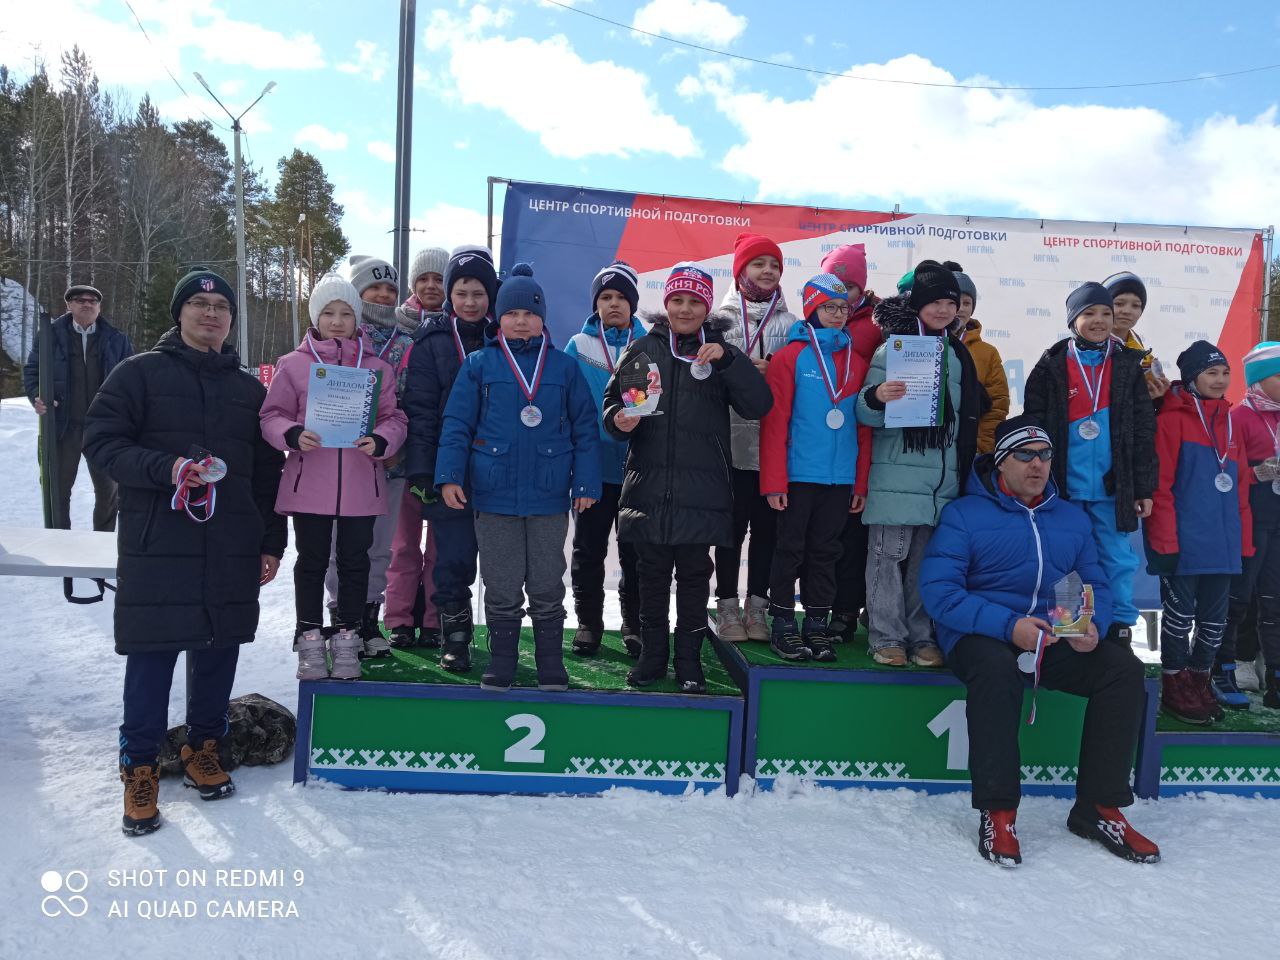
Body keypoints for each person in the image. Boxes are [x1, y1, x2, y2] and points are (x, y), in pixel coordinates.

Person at [83, 268, 286, 837]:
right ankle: (140, 766)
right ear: (180, 313)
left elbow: (267, 476)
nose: (211, 313)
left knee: (220, 648)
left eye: (221, 305)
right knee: (153, 654)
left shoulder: (250, 391)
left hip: (230, 543)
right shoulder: (138, 375)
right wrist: (165, 469)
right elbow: (102, 442)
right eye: (199, 303)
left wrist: (271, 541)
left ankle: (203, 745)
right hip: (158, 542)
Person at [920, 416, 1159, 867]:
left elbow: (1092, 581)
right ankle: (999, 811)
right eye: (1024, 455)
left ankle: (1099, 807)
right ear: (1000, 461)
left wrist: (1090, 624)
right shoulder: (964, 514)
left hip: (1051, 634)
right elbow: (941, 593)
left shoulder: (1070, 517)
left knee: (1121, 669)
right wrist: (1010, 626)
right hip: (982, 633)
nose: (1037, 465)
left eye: (1045, 455)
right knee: (995, 671)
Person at [603, 263, 772, 692]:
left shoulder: (718, 353)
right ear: (666, 304)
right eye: (677, 300)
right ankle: (652, 658)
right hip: (649, 488)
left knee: (695, 581)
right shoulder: (643, 349)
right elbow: (612, 405)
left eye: (695, 301)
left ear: (707, 306)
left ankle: (690, 663)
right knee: (652, 579)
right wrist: (617, 419)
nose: (685, 308)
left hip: (705, 491)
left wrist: (730, 359)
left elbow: (758, 405)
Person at [436, 264, 601, 691]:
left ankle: (551, 663)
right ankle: (502, 661)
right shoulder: (479, 364)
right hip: (494, 495)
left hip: (548, 494)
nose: (520, 320)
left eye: (529, 313)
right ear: (499, 318)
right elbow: (457, 424)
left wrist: (585, 483)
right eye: (511, 313)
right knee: (501, 583)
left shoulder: (564, 368)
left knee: (547, 582)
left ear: (542, 318)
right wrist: (450, 475)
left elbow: (585, 427)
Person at [260, 275, 407, 681]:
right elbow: (271, 416)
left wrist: (381, 441)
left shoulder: (376, 368)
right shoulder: (294, 364)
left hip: (361, 483)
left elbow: (394, 418)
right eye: (328, 313)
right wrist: (290, 434)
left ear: (357, 319)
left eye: (346, 313)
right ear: (315, 317)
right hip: (311, 484)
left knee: (355, 562)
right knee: (311, 562)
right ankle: (309, 637)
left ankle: (348, 637)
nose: (337, 321)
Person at [855, 260, 986, 667]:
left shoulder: (959, 355)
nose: (945, 309)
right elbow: (864, 412)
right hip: (896, 473)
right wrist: (878, 397)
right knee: (886, 559)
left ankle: (921, 637)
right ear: (918, 306)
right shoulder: (892, 347)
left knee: (925, 565)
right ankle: (885, 637)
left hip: (940, 482)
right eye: (935, 302)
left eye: (952, 302)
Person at [1023, 282, 1157, 648]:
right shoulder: (1051, 364)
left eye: (1105, 314)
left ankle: (1118, 627)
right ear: (1073, 320)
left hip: (1113, 488)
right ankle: (1068, 626)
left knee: (1116, 558)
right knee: (1064, 559)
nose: (1099, 321)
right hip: (1063, 486)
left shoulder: (1129, 366)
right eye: (1089, 313)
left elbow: (1145, 432)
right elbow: (1033, 423)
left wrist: (1143, 487)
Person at [759, 274, 871, 661]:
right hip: (797, 475)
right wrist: (774, 480)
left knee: (826, 552)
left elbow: (863, 427)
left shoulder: (857, 361)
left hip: (839, 478)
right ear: (812, 309)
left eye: (843, 307)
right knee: (789, 549)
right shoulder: (791, 357)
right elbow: (775, 424)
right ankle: (784, 625)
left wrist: (860, 483)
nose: (838, 314)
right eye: (829, 307)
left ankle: (817, 626)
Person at [404, 245, 500, 673]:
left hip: (500, 467)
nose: (471, 301)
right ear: (449, 295)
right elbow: (420, 410)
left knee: (501, 560)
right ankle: (455, 638)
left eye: (479, 292)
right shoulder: (433, 339)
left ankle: (503, 638)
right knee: (454, 558)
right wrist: (424, 469)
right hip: (450, 470)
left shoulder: (508, 336)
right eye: (462, 292)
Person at [316, 255, 417, 656]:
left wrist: (395, 448)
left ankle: (367, 618)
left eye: (391, 289)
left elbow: (410, 404)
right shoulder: (336, 339)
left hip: (390, 461)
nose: (382, 294)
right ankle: (342, 615)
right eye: (373, 287)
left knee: (379, 545)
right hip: (336, 465)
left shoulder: (407, 342)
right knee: (335, 546)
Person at [1146, 342, 1252, 722]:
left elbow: (1239, 488)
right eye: (1211, 373)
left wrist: (1244, 542)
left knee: (1215, 620)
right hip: (1184, 544)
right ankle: (1175, 681)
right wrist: (1165, 542)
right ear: (1191, 378)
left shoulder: (1229, 420)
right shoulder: (1171, 420)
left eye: (1225, 373)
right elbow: (1160, 486)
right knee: (1178, 618)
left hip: (1222, 545)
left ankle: (1200, 679)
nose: (1220, 380)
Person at [713, 233, 796, 642]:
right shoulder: (718, 322)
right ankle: (726, 606)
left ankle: (757, 608)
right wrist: (743, 374)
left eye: (774, 265)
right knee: (728, 532)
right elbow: (703, 381)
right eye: (758, 263)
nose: (767, 271)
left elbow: (801, 386)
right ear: (740, 270)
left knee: (769, 533)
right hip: (727, 446)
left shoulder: (793, 327)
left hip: (771, 449)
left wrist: (775, 375)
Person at [564, 261, 647, 657]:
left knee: (636, 552)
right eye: (605, 297)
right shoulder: (578, 346)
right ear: (596, 303)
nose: (613, 304)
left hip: (639, 469)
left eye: (621, 297)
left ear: (632, 303)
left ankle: (633, 623)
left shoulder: (650, 345)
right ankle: (589, 623)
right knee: (588, 549)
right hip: (593, 467)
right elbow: (568, 407)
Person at [23, 283, 133, 531]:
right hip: (63, 427)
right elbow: (32, 372)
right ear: (69, 305)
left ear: (99, 307)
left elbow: (132, 378)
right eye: (80, 300)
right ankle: (62, 548)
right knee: (58, 492)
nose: (87, 304)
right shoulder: (50, 335)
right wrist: (37, 396)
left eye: (93, 301)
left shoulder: (116, 339)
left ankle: (100, 548)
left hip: (103, 430)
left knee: (109, 493)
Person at [387, 246, 450, 649]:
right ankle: (397, 619)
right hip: (399, 455)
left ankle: (434, 618)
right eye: (423, 279)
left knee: (442, 546)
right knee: (403, 543)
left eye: (438, 279)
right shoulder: (394, 329)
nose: (430, 286)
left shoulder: (458, 328)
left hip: (443, 452)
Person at [820, 244, 880, 643]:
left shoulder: (877, 325)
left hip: (865, 434)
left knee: (853, 535)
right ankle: (816, 611)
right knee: (820, 536)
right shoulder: (814, 320)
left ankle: (846, 610)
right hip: (820, 442)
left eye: (850, 286)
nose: (843, 294)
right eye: (836, 284)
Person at [1220, 342, 1280, 708]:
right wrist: (1255, 472)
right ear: (1259, 380)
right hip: (1251, 516)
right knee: (1240, 597)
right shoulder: (1239, 416)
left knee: (1275, 600)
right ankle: (1226, 665)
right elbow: (1225, 470)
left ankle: (1275, 675)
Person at [943, 261, 1009, 453]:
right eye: (956, 302)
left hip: (969, 449)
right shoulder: (923, 343)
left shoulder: (988, 353)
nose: (962, 309)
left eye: (967, 303)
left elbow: (997, 405)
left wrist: (980, 447)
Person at [1103, 271, 1171, 401]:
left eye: (1135, 305)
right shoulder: (1089, 348)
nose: (1127, 311)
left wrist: (1154, 396)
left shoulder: (1140, 350)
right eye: (1119, 303)